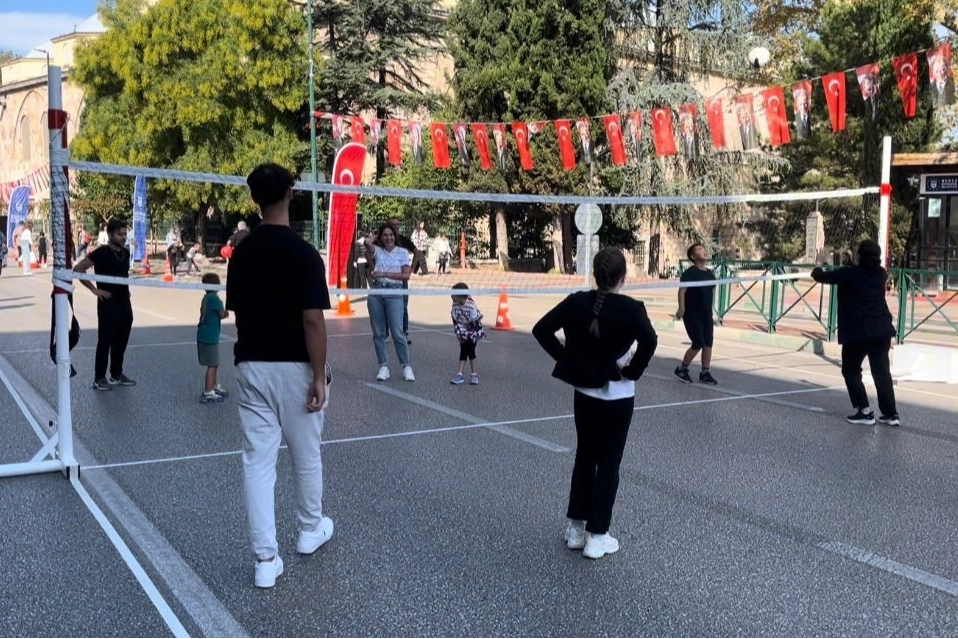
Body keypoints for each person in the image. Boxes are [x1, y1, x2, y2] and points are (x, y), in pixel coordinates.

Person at [226, 163, 334, 589]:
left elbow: (239, 313)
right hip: (295, 364)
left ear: (255, 199)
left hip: (251, 362)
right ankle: (310, 529)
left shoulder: (242, 252)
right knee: (306, 454)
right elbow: (313, 321)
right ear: (291, 193)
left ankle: (265, 559)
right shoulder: (303, 253)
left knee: (257, 462)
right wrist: (319, 376)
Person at [533, 247, 658, 559]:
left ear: (594, 274)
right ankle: (597, 537)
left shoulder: (577, 301)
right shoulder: (631, 309)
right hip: (618, 397)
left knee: (585, 458)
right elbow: (650, 340)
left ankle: (576, 529)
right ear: (623, 277)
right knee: (609, 464)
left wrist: (571, 360)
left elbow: (541, 330)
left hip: (585, 394)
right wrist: (632, 370)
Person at [811, 240, 899, 426]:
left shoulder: (848, 274)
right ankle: (891, 414)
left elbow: (819, 276)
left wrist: (819, 263)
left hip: (858, 332)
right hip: (882, 330)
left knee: (851, 370)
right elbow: (862, 273)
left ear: (860, 256)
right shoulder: (881, 274)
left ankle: (864, 410)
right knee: (882, 372)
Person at [74, 218, 136, 391]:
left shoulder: (125, 253)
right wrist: (94, 290)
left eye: (125, 234)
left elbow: (122, 275)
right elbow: (78, 269)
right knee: (105, 340)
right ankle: (99, 377)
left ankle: (116, 374)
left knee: (121, 339)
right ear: (110, 234)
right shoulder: (101, 253)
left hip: (124, 301)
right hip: (107, 302)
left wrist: (126, 289)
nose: (123, 237)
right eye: (119, 234)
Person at [365, 224, 415, 382]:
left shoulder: (402, 252)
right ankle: (383, 367)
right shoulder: (378, 251)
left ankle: (406, 366)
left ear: (395, 236)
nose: (388, 238)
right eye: (385, 235)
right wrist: (375, 236)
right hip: (377, 293)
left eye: (391, 235)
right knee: (379, 333)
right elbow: (367, 242)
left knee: (397, 332)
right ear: (381, 237)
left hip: (394, 293)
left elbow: (406, 275)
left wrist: (384, 273)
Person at [674, 243, 718, 385]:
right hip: (692, 314)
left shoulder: (709, 274)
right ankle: (682, 369)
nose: (703, 251)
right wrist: (682, 308)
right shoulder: (689, 273)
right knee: (698, 342)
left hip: (706, 314)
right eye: (699, 249)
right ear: (693, 257)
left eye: (703, 249)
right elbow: (682, 291)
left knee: (708, 342)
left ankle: (705, 373)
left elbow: (709, 292)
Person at [197, 273, 229, 403]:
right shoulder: (215, 300)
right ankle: (208, 391)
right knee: (212, 364)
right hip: (210, 335)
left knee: (215, 363)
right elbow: (221, 314)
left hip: (204, 333)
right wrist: (226, 312)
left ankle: (214, 386)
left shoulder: (206, 298)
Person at [450, 283, 485, 385]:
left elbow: (475, 322)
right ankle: (459, 374)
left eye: (454, 294)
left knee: (470, 351)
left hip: (473, 330)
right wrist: (459, 332)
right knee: (463, 351)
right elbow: (455, 318)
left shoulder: (471, 305)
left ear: (460, 296)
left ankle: (474, 375)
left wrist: (469, 335)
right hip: (462, 331)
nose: (451, 296)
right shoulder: (455, 305)